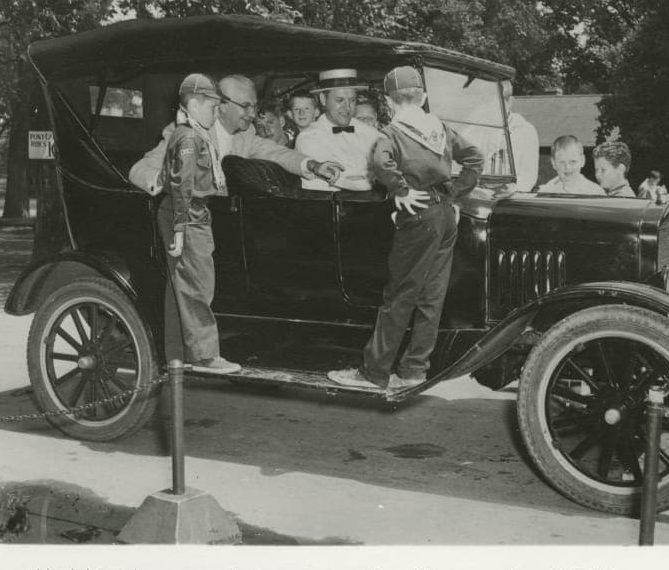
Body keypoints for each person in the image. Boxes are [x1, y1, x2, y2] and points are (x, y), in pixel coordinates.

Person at [327, 66, 484, 392]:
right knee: (432, 297)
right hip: (445, 216)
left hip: (418, 216)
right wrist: (455, 192)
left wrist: (401, 190)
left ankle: (374, 373)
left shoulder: (392, 134)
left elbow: (381, 163)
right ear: (423, 97)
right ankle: (414, 369)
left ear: (388, 102)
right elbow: (475, 158)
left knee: (399, 296)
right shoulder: (440, 128)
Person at [129, 74, 342, 195]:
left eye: (254, 106)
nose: (252, 114)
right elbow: (139, 169)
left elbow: (278, 153)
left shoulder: (245, 134)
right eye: (245, 106)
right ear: (221, 105)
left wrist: (313, 165)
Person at [156, 74, 237, 374]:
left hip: (190, 213)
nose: (216, 113)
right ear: (193, 104)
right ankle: (205, 356)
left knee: (179, 286)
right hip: (187, 214)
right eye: (213, 106)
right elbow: (182, 185)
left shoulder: (192, 133)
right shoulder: (189, 137)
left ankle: (177, 353)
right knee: (198, 286)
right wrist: (180, 228)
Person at [295, 69, 381, 191]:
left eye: (352, 100)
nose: (347, 107)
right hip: (325, 207)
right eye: (339, 100)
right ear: (323, 100)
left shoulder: (368, 131)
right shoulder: (308, 138)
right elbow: (347, 181)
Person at [537, 135, 604, 195]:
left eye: (573, 161)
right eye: (562, 162)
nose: (567, 167)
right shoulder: (545, 192)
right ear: (553, 163)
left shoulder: (595, 192)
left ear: (582, 160)